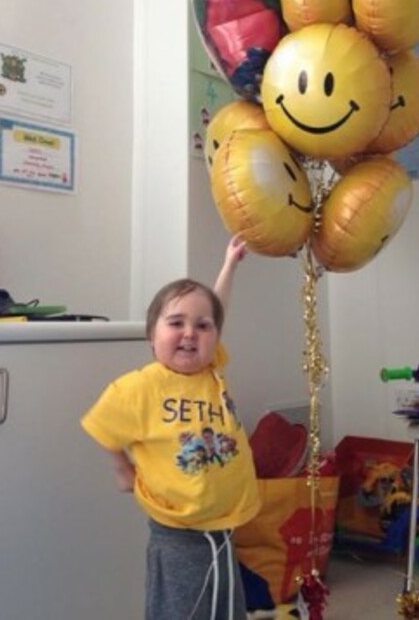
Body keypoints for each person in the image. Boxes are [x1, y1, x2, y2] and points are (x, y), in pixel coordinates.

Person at [81, 236, 260, 620]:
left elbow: (218, 309)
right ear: (152, 336)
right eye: (176, 323)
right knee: (182, 611)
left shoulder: (212, 369)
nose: (190, 333)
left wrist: (229, 264)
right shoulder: (144, 385)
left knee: (226, 609)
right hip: (177, 534)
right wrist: (122, 468)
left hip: (223, 527)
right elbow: (101, 421)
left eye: (202, 327)